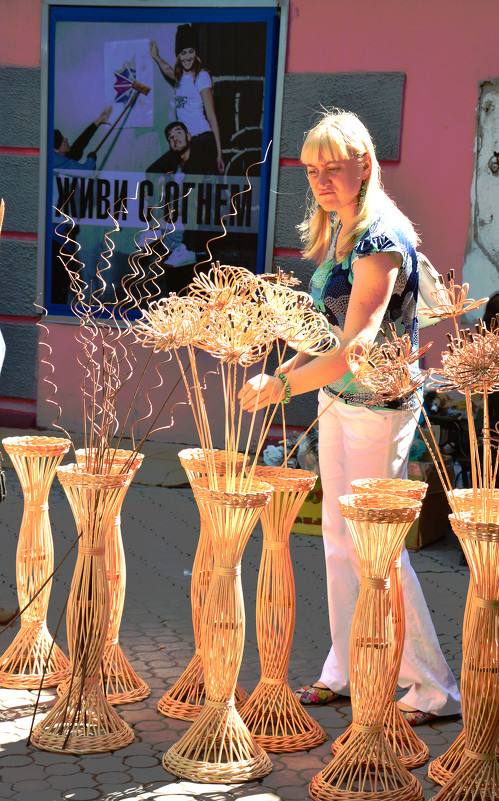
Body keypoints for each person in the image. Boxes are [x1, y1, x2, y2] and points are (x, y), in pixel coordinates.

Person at [239, 109, 461, 726]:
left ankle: (433, 689)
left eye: (333, 168)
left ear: (366, 164)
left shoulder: (378, 237)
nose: (321, 181)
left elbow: (357, 343)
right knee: (339, 541)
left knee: (379, 551)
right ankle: (345, 668)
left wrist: (282, 384)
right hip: (338, 402)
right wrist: (290, 370)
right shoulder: (339, 229)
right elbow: (327, 335)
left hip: (379, 410)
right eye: (312, 170)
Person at [149, 24, 224, 174]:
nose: (188, 57)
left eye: (191, 52)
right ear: (178, 56)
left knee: (191, 184)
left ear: (196, 53)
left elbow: (211, 116)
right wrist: (156, 57)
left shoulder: (201, 77)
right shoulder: (180, 78)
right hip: (186, 142)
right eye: (183, 53)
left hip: (202, 138)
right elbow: (168, 70)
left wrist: (219, 153)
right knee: (153, 172)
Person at [146, 121, 218, 175]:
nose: (175, 138)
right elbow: (150, 172)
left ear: (189, 136)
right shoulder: (174, 165)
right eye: (171, 137)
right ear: (170, 146)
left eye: (178, 133)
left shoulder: (200, 160)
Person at [53, 105, 112, 171]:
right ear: (55, 149)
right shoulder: (63, 165)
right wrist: (91, 159)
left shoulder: (53, 158)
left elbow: (78, 145)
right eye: (62, 140)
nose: (66, 139)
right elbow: (86, 171)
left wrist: (98, 121)